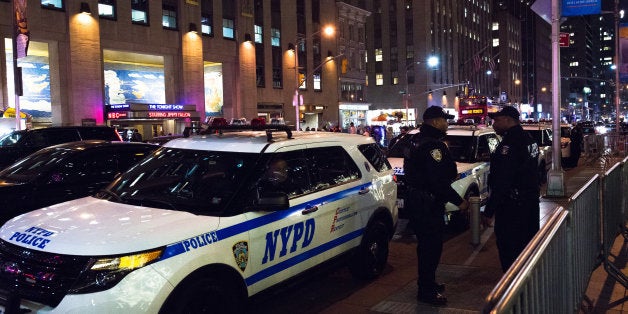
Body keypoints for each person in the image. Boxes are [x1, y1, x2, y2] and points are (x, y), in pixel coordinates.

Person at [403, 105, 469, 306]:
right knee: (431, 248)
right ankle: (426, 290)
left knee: (425, 247)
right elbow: (438, 181)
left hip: (417, 200)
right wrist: (459, 201)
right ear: (434, 121)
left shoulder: (414, 140)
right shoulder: (434, 146)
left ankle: (428, 282)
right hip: (428, 203)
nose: (446, 123)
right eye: (444, 120)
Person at [482, 106, 540, 273]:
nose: (494, 124)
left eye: (497, 120)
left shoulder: (510, 145)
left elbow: (502, 181)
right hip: (529, 202)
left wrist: (489, 211)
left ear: (508, 120)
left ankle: (512, 289)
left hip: (512, 207)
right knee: (528, 246)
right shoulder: (529, 139)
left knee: (510, 248)